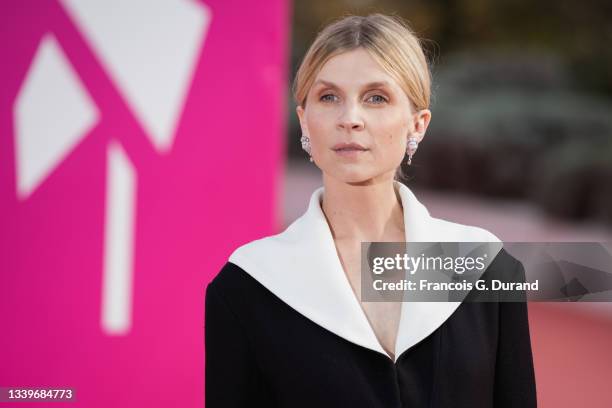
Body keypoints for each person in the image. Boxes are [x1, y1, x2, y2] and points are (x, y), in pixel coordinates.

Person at [205, 13, 537, 408]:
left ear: (418, 123)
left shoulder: (484, 266)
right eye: (329, 97)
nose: (350, 120)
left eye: (376, 97)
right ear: (304, 121)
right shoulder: (248, 283)